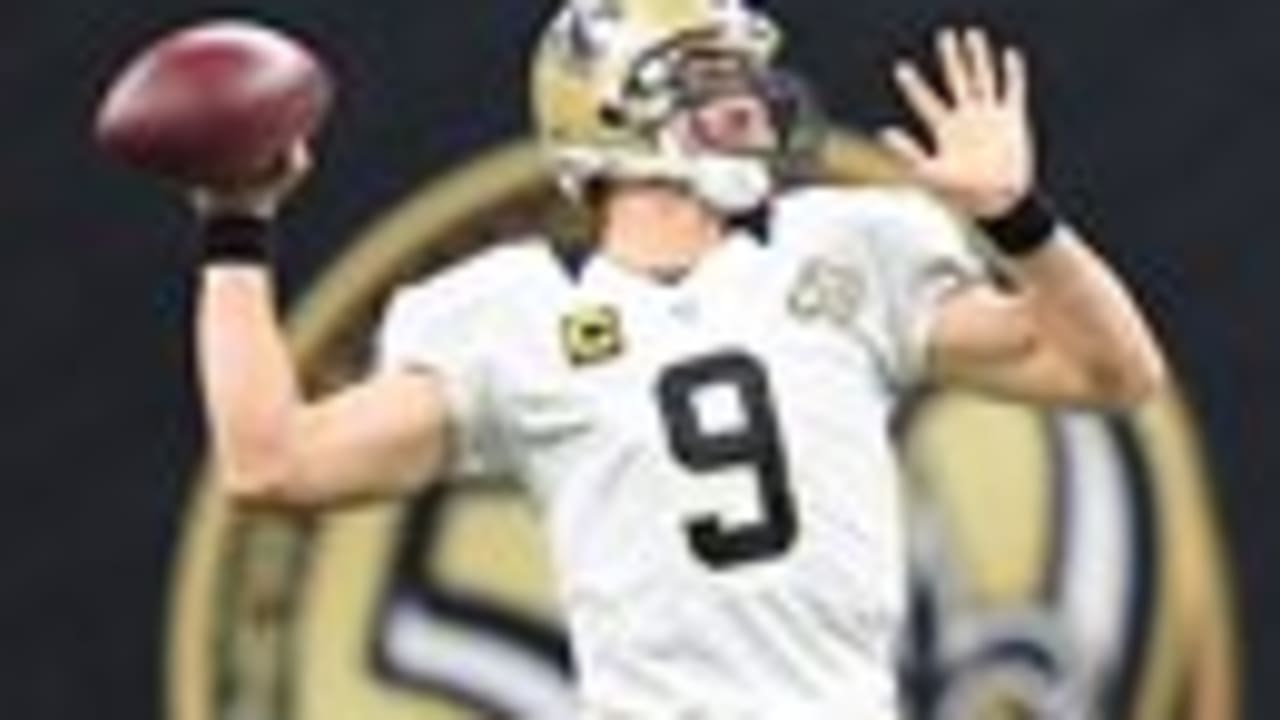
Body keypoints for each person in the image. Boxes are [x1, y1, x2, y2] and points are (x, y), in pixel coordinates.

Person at [190, 0, 1167, 717]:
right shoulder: (513, 316)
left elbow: (1110, 373)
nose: (745, 102)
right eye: (704, 79)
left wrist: (1016, 219)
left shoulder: (837, 252)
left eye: (741, 77)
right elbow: (269, 461)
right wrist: (237, 225)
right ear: (603, 115)